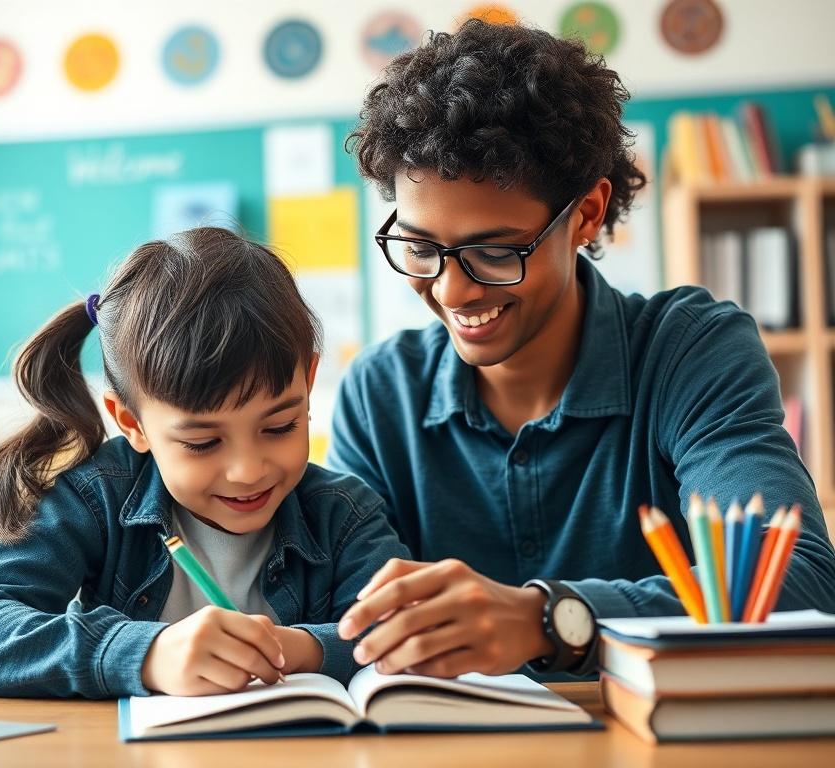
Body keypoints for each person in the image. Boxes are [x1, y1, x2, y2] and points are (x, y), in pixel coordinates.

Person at [330, 19, 835, 679]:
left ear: (588, 214)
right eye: (422, 248)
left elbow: (798, 585)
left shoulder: (690, 352)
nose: (451, 288)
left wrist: (551, 619)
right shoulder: (380, 394)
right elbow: (351, 621)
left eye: (495, 251)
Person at [0, 227, 409, 698]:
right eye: (201, 443)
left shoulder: (345, 514)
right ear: (130, 422)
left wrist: (295, 647)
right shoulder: (95, 499)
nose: (248, 470)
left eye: (279, 427)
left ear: (308, 379)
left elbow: (404, 630)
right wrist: (145, 653)